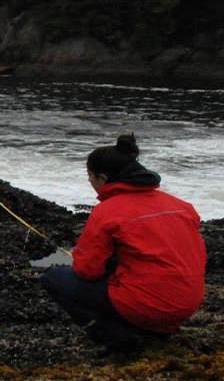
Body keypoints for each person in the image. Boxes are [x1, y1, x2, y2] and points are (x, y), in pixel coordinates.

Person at [41, 134, 206, 352]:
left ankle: (116, 337)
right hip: (188, 302)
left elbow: (87, 270)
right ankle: (156, 331)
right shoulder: (182, 206)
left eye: (89, 176)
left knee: (54, 278)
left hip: (147, 305)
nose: (89, 181)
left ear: (102, 177)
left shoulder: (107, 212)